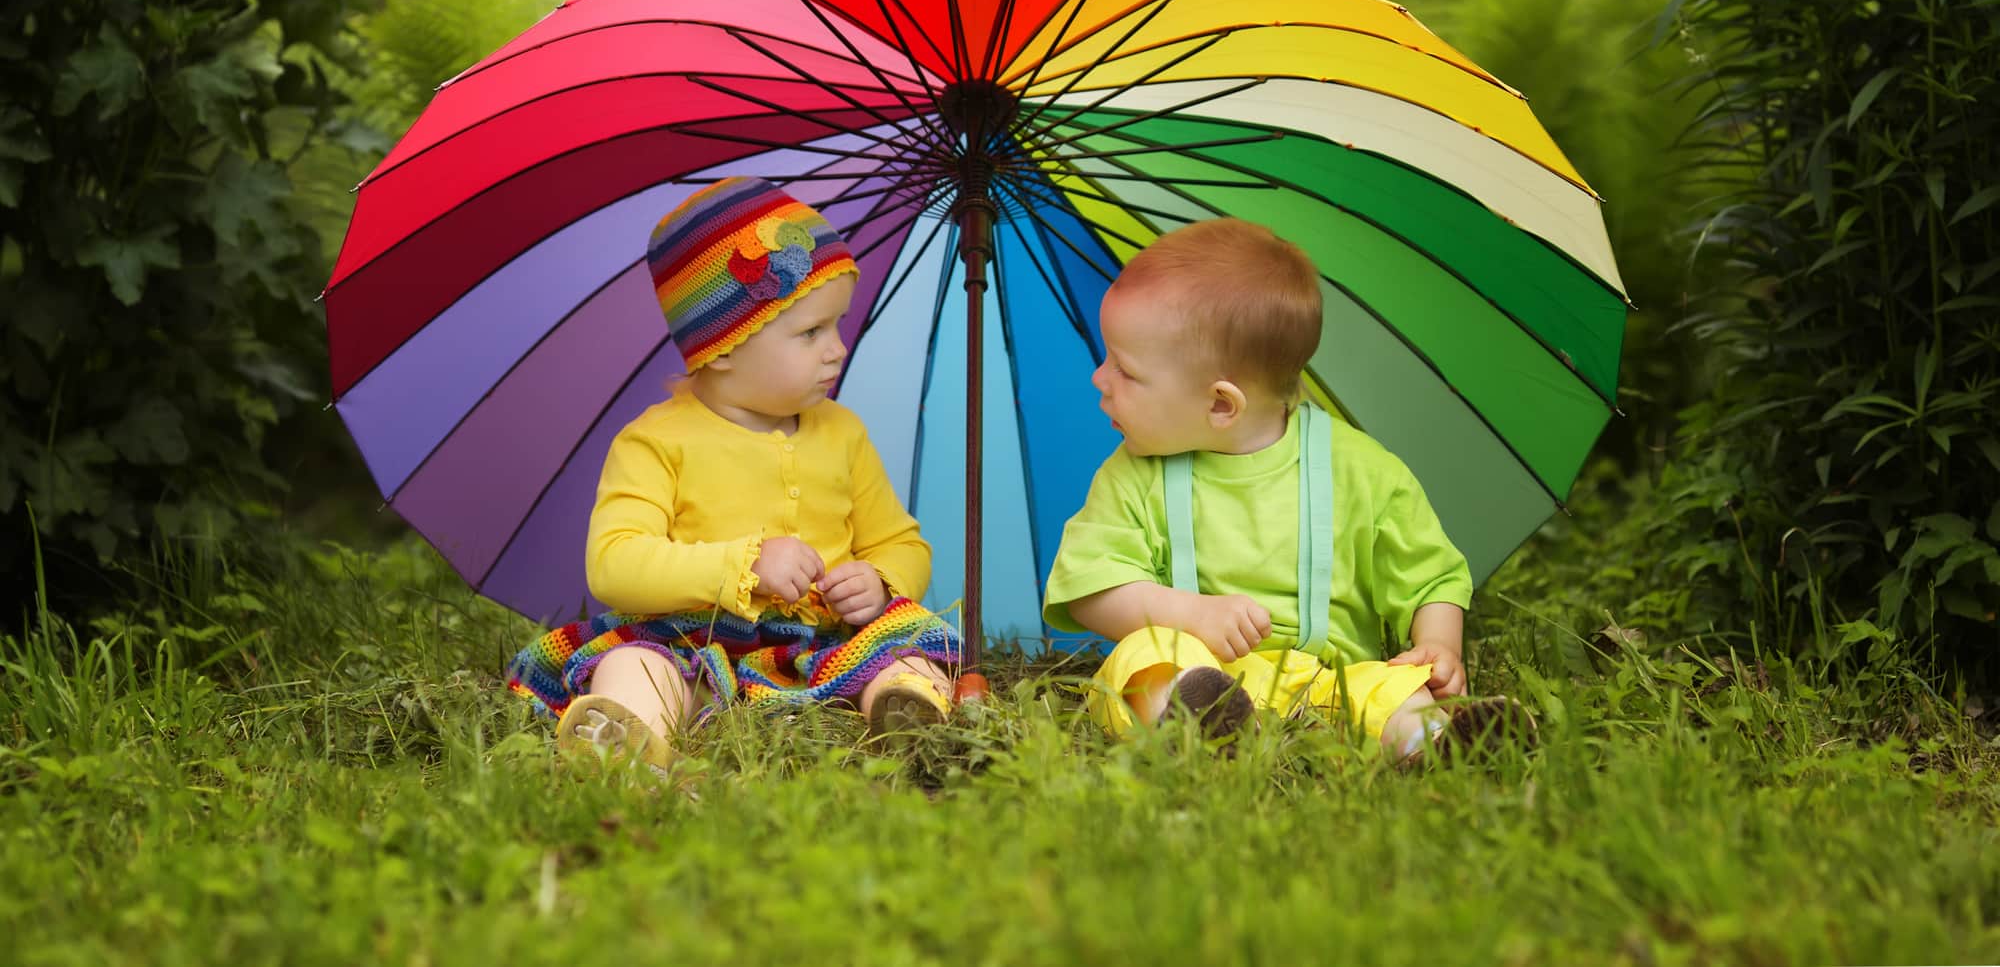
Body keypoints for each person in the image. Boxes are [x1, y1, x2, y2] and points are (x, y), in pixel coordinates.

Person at [507, 177, 958, 773]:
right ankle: (626, 736)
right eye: (811, 332)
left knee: (905, 649)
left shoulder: (841, 432)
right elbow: (614, 563)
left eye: (838, 325)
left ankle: (905, 711)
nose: (837, 349)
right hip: (695, 641)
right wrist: (742, 566)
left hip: (825, 644)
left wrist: (879, 580)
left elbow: (899, 540)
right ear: (722, 347)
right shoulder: (656, 441)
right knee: (639, 667)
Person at [1042, 217, 1532, 761]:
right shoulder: (1134, 474)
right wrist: (1190, 615)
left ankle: (1435, 744)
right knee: (1142, 656)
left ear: (1221, 405)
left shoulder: (1361, 470)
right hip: (1198, 671)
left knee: (1391, 688)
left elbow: (1431, 573)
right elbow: (1091, 586)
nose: (1099, 378)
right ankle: (1188, 726)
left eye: (1125, 371)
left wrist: (1439, 642)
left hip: (1332, 680)